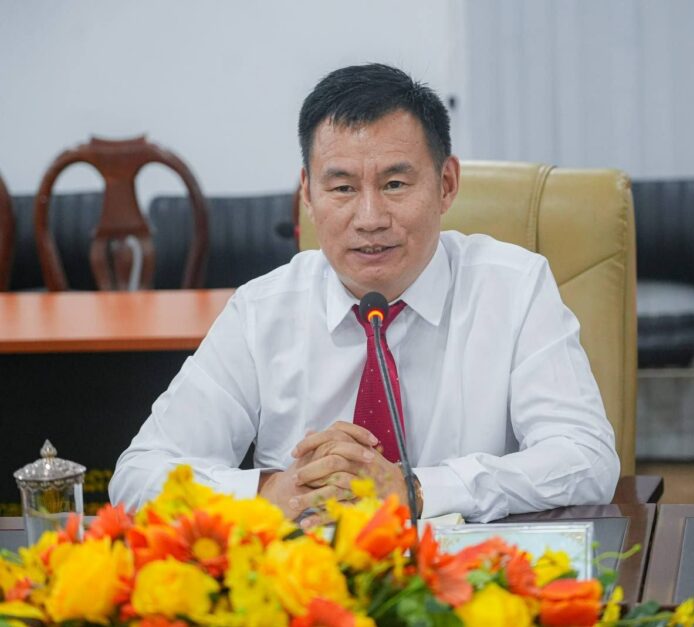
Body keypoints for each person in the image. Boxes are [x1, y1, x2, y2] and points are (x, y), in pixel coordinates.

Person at [110, 63, 619, 524]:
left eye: (395, 184)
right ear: (308, 194)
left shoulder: (514, 287)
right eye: (342, 188)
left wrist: (417, 490)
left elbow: (586, 458)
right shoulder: (262, 311)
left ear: (446, 184)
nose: (370, 219)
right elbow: (137, 477)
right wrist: (267, 493)